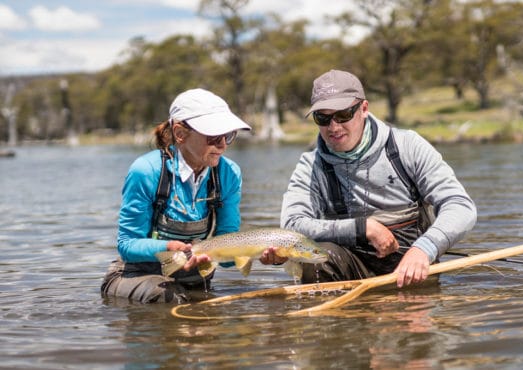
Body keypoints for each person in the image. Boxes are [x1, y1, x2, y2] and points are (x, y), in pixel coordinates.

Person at [280, 70, 477, 288]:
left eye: (343, 115)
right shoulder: (310, 165)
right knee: (318, 259)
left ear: (363, 109)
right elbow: (292, 226)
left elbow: (460, 206)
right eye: (323, 118)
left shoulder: (407, 146)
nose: (333, 127)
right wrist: (363, 228)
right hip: (347, 270)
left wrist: (426, 248)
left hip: (411, 267)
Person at [101, 88, 283, 304]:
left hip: (192, 282)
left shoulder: (229, 174)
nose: (223, 144)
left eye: (228, 135)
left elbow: (224, 257)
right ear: (180, 134)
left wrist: (258, 254)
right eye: (214, 136)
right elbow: (127, 245)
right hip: (135, 277)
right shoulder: (146, 171)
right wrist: (169, 248)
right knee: (169, 297)